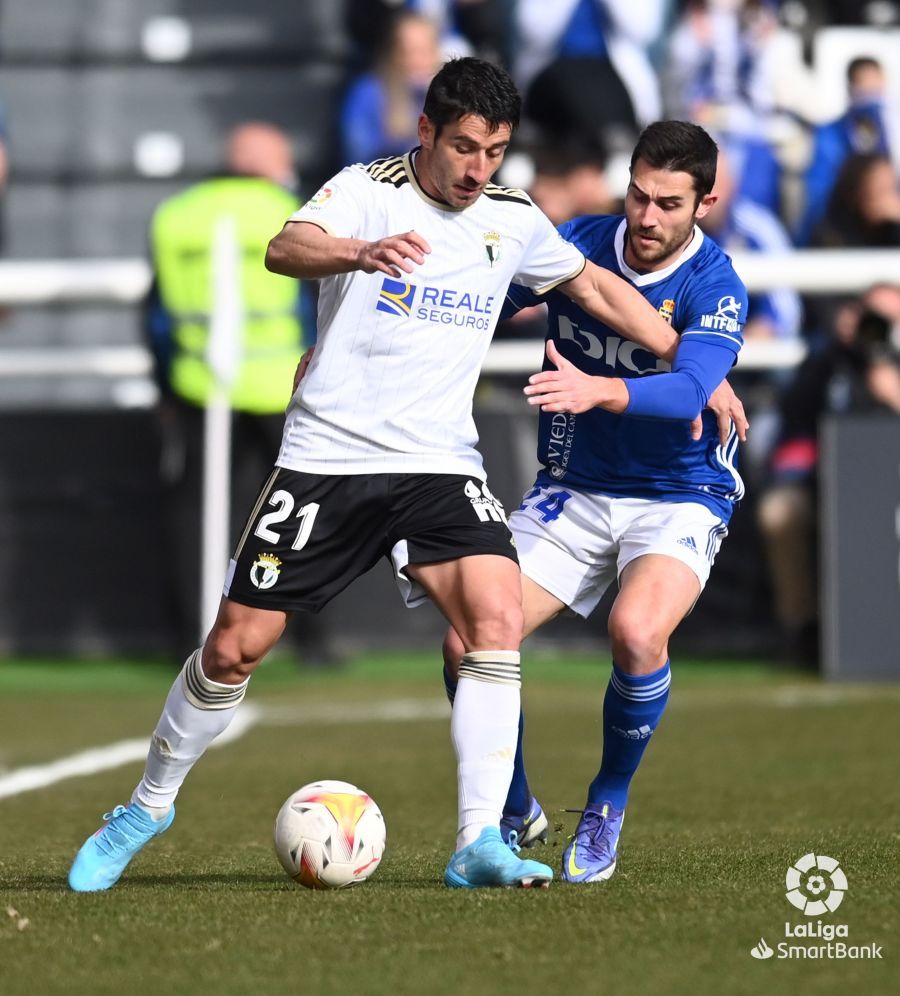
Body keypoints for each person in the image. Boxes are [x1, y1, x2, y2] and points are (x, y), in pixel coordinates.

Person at [68, 58, 698, 893]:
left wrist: (687, 358)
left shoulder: (512, 218)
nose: (478, 170)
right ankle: (146, 806)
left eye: (496, 151)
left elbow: (592, 288)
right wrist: (359, 253)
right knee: (233, 647)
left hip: (439, 459)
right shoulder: (368, 188)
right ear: (426, 132)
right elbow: (283, 247)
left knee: (495, 618)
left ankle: (479, 840)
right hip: (329, 456)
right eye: (464, 147)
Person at [442, 120, 750, 883]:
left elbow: (688, 388)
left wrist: (598, 389)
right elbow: (480, 301)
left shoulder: (716, 284)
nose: (647, 218)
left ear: (704, 203)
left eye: (669, 205)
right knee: (465, 645)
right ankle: (516, 810)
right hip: (574, 490)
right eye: (639, 196)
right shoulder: (576, 239)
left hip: (680, 492)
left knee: (637, 633)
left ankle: (607, 802)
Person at [144, 122, 327, 658]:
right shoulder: (290, 208)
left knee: (193, 512)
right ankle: (309, 637)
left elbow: (156, 314)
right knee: (302, 511)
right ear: (272, 164)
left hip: (197, 384)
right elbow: (315, 304)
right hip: (282, 385)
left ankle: (186, 634)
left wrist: (165, 383)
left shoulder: (177, 214)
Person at [757, 282, 900, 667]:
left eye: (889, 319)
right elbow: (795, 420)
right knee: (779, 512)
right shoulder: (827, 362)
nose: (879, 327)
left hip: (890, 494)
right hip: (824, 482)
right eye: (872, 316)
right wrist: (837, 352)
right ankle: (801, 628)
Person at [797, 56, 894, 246]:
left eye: (874, 85)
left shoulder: (892, 129)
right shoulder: (831, 134)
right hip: (842, 229)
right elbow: (819, 192)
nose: (870, 94)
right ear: (851, 89)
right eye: (863, 87)